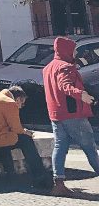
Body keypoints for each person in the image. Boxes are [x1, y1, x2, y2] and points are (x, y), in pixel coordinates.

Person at [43, 35, 99, 197]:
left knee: (60, 147)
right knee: (89, 147)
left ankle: (58, 182)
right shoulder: (66, 67)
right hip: (72, 113)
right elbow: (65, 86)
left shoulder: (48, 67)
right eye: (74, 50)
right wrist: (82, 95)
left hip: (56, 113)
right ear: (67, 50)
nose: (75, 54)